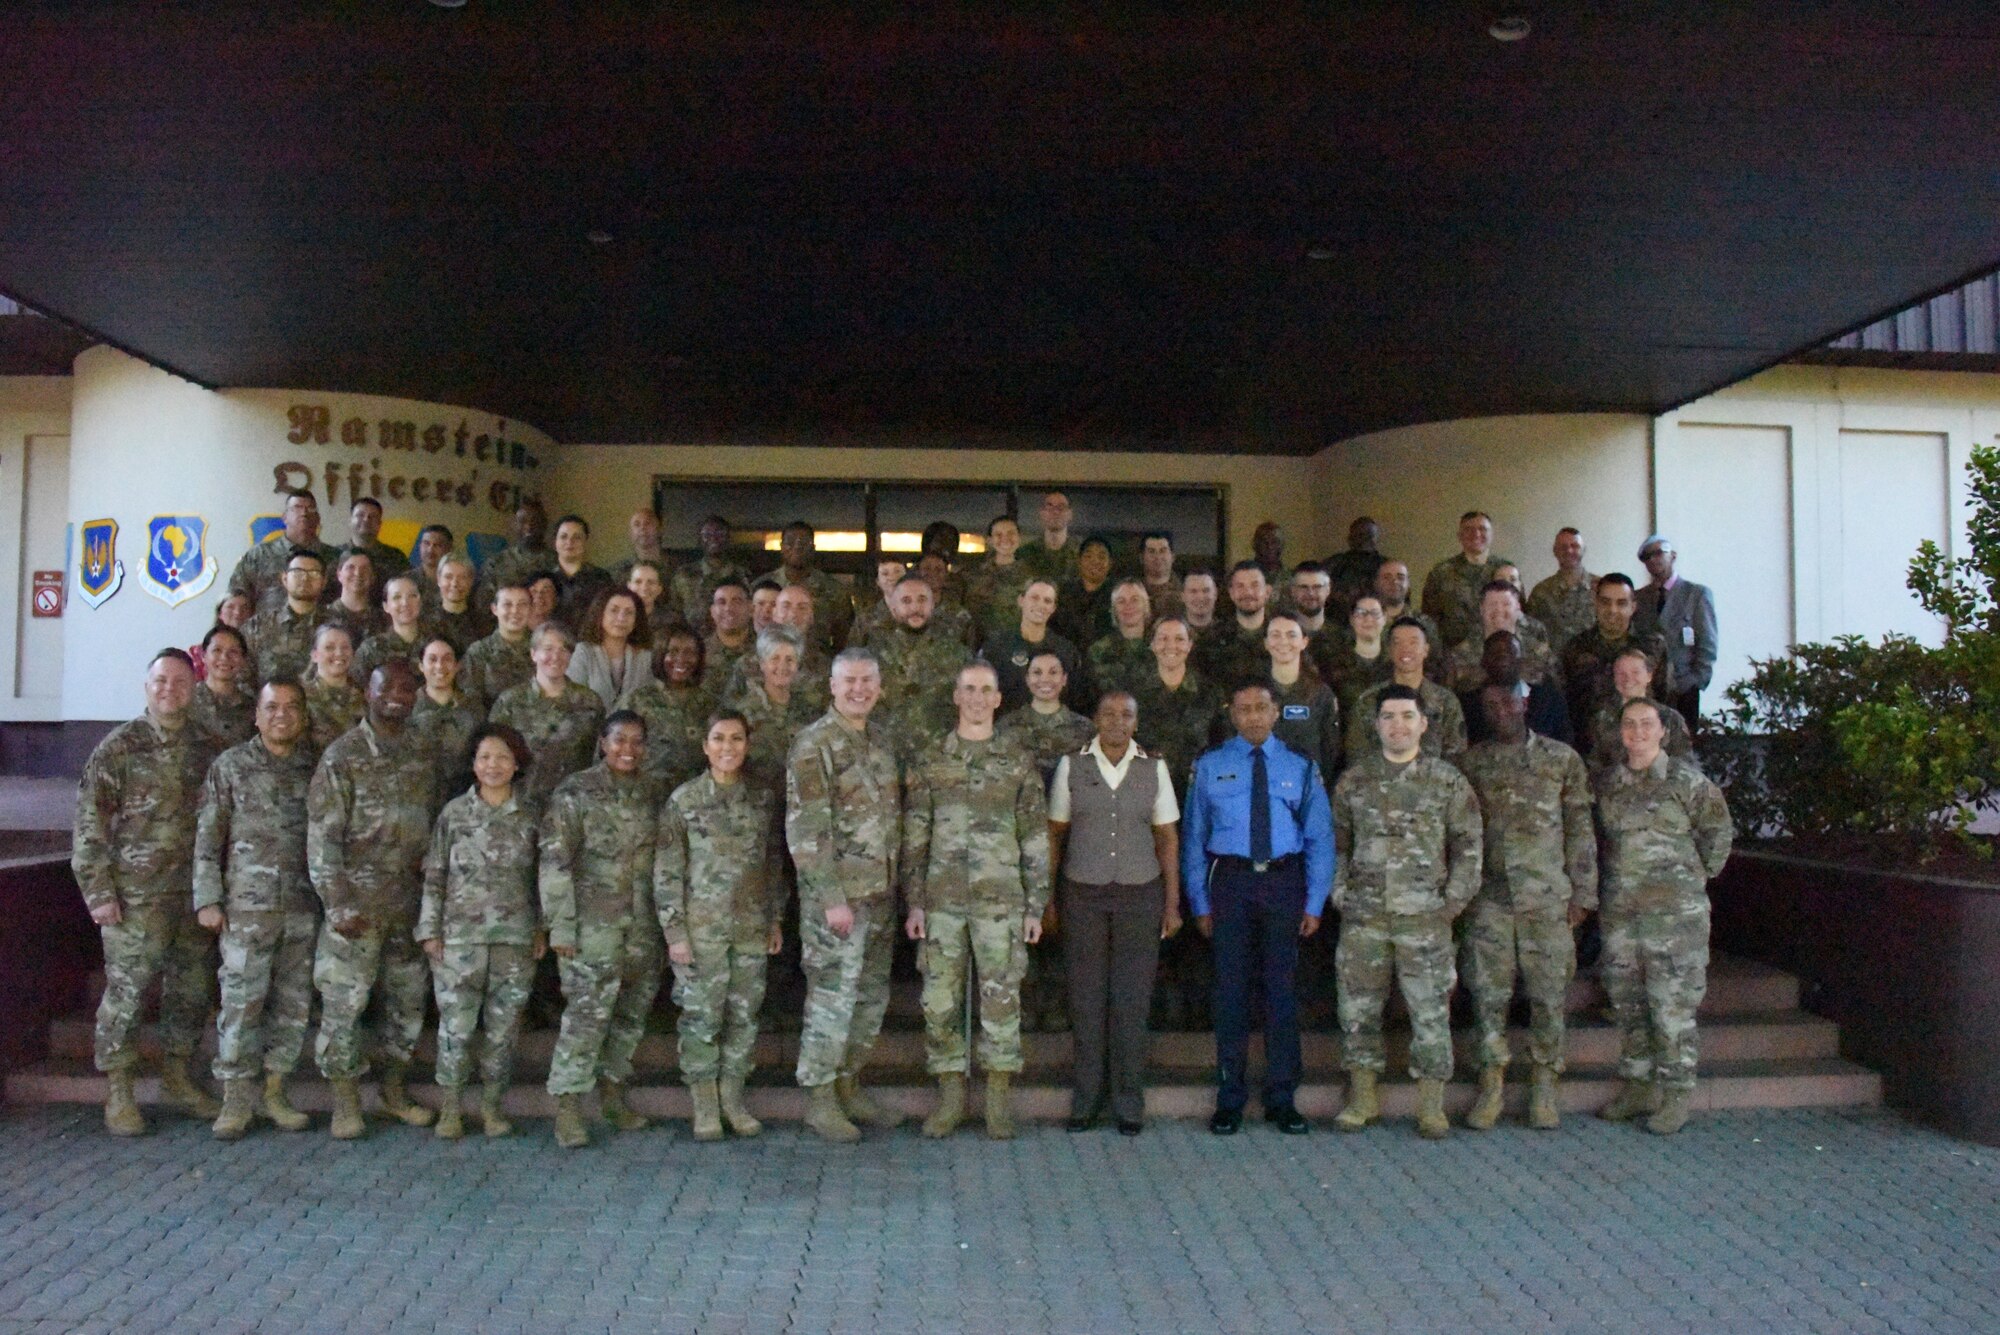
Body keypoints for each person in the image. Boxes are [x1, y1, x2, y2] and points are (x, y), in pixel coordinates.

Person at [73, 648, 222, 1135]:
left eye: (180, 682)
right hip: (134, 898)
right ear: (146, 686)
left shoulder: (209, 747)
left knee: (191, 990)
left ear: (193, 689)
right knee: (128, 993)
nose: (169, 690)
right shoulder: (119, 747)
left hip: (191, 896)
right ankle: (119, 1091)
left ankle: (177, 1077)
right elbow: (90, 823)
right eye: (160, 681)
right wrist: (98, 891)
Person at [901, 662, 1052, 1140]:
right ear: (955, 695)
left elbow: (1034, 836)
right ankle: (949, 1100)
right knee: (939, 1001)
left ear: (998, 699)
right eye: (968, 689)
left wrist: (1034, 905)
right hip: (942, 902)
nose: (976, 698)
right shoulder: (931, 759)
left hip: (1001, 902)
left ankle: (997, 1101)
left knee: (1002, 1000)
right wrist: (916, 902)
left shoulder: (1017, 760)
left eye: (985, 690)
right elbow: (915, 838)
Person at [1183, 679, 1335, 1137]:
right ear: (1232, 714)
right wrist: (1199, 903)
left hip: (1283, 883)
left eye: (1261, 708)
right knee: (1230, 994)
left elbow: (1320, 838)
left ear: (1275, 713)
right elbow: (1193, 839)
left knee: (1281, 993)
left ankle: (1282, 1099)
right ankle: (1230, 1099)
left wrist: (1314, 901)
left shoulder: (1300, 768)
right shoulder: (1210, 766)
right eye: (1244, 708)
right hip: (1230, 883)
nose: (1252, 716)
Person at [1330, 685, 1482, 1139]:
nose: (1398, 725)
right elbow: (1337, 845)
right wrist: (1340, 892)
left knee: (1431, 1011)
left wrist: (1452, 903)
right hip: (1365, 918)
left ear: (1423, 724)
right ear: (1376, 725)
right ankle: (1362, 1098)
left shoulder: (1447, 781)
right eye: (1389, 717)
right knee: (1358, 1008)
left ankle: (1431, 1106)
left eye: (1406, 716)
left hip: (1426, 920)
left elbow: (1469, 845)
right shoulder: (1354, 781)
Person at [306, 660, 438, 1138]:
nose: (398, 696)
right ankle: (345, 1103)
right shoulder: (342, 756)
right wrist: (337, 904)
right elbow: (322, 838)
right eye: (388, 688)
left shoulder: (423, 750)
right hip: (356, 906)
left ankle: (393, 1091)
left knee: (407, 1005)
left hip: (409, 904)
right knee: (345, 1004)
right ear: (368, 693)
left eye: (407, 688)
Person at [1457, 682, 1597, 1131]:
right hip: (1489, 900)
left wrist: (1583, 893)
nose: (1501, 711)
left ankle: (1544, 1085)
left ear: (1525, 703)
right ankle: (1491, 1084)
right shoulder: (1470, 764)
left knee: (1548, 996)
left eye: (1508, 702)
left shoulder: (1562, 760)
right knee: (1488, 997)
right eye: (1491, 705)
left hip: (1547, 899)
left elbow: (1579, 828)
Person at [1595, 696, 1734, 1135]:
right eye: (1630, 725)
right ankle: (1638, 1085)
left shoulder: (1687, 783)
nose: (1637, 732)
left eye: (1646, 724)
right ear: (1621, 733)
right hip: (1624, 916)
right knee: (1629, 1003)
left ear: (1662, 731)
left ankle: (1676, 1094)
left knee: (1671, 1006)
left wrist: (1691, 880)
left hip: (1675, 920)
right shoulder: (1610, 784)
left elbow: (1718, 834)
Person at [1048, 690, 1182, 1135]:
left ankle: (1128, 1102)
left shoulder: (1153, 768)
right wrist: (1048, 899)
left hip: (1139, 894)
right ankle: (1085, 1100)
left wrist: (1172, 903)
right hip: (1082, 894)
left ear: (1136, 722)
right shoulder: (1073, 766)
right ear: (1095, 719)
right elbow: (1055, 837)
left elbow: (1166, 839)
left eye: (1126, 714)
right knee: (1086, 1000)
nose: (1117, 721)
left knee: (1131, 1000)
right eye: (1108, 713)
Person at [786, 648, 905, 1142]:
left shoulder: (881, 740)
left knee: (869, 998)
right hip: (838, 901)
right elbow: (807, 830)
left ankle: (849, 1084)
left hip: (880, 895)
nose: (859, 690)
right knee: (832, 1000)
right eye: (850, 681)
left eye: (868, 681)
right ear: (832, 687)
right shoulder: (814, 745)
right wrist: (832, 897)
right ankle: (819, 1099)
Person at [195, 677, 319, 1138]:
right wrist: (207, 898)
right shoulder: (230, 766)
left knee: (292, 1005)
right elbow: (209, 838)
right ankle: (235, 1099)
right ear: (256, 714)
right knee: (241, 1004)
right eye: (271, 707)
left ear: (303, 715)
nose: (281, 715)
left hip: (303, 907)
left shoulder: (315, 767)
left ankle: (274, 1091)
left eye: (290, 707)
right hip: (247, 910)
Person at [656, 710, 787, 1141]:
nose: (727, 747)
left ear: (747, 744)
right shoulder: (684, 802)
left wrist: (774, 918)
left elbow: (771, 866)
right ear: (705, 746)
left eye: (735, 738)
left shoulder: (761, 799)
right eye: (718, 739)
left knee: (744, 1017)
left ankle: (733, 1099)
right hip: (701, 931)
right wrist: (675, 934)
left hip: (749, 927)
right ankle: (706, 1106)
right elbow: (668, 873)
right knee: (701, 1017)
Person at [539, 711, 663, 1148]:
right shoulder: (577, 791)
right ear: (602, 743)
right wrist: (560, 927)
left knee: (629, 1017)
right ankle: (569, 1111)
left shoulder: (652, 792)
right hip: (592, 928)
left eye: (636, 741)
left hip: (643, 927)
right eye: (618, 740)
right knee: (586, 1020)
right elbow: (555, 861)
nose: (627, 749)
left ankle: (613, 1096)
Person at [417, 723, 544, 1140]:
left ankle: (492, 1108)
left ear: (517, 764)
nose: (494, 765)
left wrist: (542, 929)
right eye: (486, 757)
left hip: (514, 938)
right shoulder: (453, 814)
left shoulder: (531, 816)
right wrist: (430, 930)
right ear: (473, 763)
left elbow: (545, 879)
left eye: (503, 758)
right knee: (456, 1027)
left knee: (503, 1030)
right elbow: (435, 875)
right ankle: (451, 1108)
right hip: (459, 939)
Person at [488, 624, 607, 814]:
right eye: (548, 649)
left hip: (573, 807)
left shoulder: (590, 702)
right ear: (534, 654)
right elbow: (493, 755)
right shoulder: (510, 701)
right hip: (520, 807)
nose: (556, 657)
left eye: (564, 650)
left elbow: (599, 759)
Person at [1562, 573, 1671, 744]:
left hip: (1641, 746)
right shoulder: (1575, 648)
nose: (1613, 610)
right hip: (1591, 751)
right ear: (1596, 604)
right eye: (1605, 602)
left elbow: (1665, 698)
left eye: (1621, 603)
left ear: (1633, 607)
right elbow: (1567, 705)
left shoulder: (1653, 646)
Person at [870, 571, 966, 762]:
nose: (915, 607)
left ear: (933, 605)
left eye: (922, 600)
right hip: (885, 761)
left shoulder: (957, 655)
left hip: (938, 762)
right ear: (894, 608)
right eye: (906, 601)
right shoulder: (872, 656)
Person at [1348, 618, 1467, 763]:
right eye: (1398, 643)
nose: (1405, 649)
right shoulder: (1368, 701)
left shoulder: (1446, 702)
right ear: (1390, 651)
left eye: (1413, 642)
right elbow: (1356, 757)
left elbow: (1456, 758)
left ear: (1426, 650)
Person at [621, 626, 718, 798]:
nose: (681, 659)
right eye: (672, 651)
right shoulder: (638, 700)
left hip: (694, 800)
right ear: (660, 655)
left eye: (689, 652)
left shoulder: (710, 705)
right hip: (645, 796)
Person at [1634, 535, 1718, 732]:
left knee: (1684, 750)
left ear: (1673, 555)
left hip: (1684, 688)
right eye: (1647, 557)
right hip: (1650, 691)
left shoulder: (1696, 594)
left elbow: (1708, 643)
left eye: (1658, 553)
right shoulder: (1639, 598)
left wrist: (1695, 680)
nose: (1653, 559)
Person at [229, 488, 339, 615]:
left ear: (318, 519)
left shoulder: (335, 557)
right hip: (268, 631)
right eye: (297, 508)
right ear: (284, 517)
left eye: (310, 508)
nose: (304, 513)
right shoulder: (259, 555)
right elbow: (236, 598)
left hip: (322, 630)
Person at [979, 577, 1079, 712]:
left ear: (1053, 608)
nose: (1041, 605)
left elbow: (1073, 697)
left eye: (1047, 601)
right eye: (1034, 598)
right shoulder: (997, 647)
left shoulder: (1065, 650)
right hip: (1008, 727)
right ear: (1021, 600)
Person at [1265, 613, 1341, 785]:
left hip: (1307, 788)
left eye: (1291, 635)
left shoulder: (1321, 694)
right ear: (1266, 643)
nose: (1283, 642)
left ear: (1304, 642)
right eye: (1275, 635)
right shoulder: (1254, 693)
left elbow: (1331, 751)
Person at [996, 649, 1093, 782]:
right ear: (1027, 679)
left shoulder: (1085, 729)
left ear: (1064, 679)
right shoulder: (1006, 726)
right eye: (1037, 673)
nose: (1045, 679)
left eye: (1053, 672)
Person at [725, 584, 830, 705]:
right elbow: (730, 715)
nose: (793, 614)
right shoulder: (746, 665)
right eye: (786, 606)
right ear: (774, 613)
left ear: (811, 616)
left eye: (802, 608)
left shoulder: (825, 667)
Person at [1442, 581, 1555, 693]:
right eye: (1492, 604)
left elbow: (1557, 693)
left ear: (1518, 608)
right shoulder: (1459, 655)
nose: (1499, 610)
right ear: (1481, 609)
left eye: (1506, 604)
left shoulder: (1540, 653)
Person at [1421, 510, 1510, 649]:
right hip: (1453, 655)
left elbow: (1519, 613)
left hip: (1499, 653)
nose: (1476, 534)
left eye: (1482, 529)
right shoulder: (1441, 572)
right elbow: (1429, 619)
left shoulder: (1506, 571)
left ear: (1491, 535)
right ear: (1459, 536)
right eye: (1469, 529)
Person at [407, 636, 482, 800]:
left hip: (466, 796)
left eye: (447, 659)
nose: (440, 666)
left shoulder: (473, 706)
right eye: (432, 659)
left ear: (457, 666)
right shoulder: (408, 706)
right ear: (421, 666)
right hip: (418, 795)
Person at [243, 549, 327, 686]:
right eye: (297, 572)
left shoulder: (336, 626)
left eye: (313, 573)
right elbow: (241, 677)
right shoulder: (257, 626)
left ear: (324, 582)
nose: (305, 578)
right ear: (284, 578)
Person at [567, 587, 655, 709]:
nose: (621, 618)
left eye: (629, 612)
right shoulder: (584, 652)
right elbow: (573, 699)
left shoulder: (644, 656)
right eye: (614, 610)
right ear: (600, 614)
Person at [774, 520, 854, 653]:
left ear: (813, 548)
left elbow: (844, 639)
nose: (797, 547)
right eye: (790, 542)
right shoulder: (764, 586)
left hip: (818, 667)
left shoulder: (834, 590)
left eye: (804, 542)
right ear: (782, 547)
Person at [1316, 592, 1394, 725]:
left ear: (1385, 618)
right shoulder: (1333, 663)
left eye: (1375, 613)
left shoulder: (1395, 663)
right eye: (1361, 613)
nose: (1368, 619)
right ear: (1352, 619)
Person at [460, 582, 536, 712]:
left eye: (522, 604)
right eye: (507, 604)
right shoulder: (479, 651)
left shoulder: (542, 649)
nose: (515, 611)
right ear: (494, 609)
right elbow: (470, 703)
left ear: (531, 609)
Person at [1195, 560, 1271, 687]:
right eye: (1240, 586)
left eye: (1255, 585)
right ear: (1231, 593)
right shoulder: (1212, 639)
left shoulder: (1283, 636)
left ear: (1268, 591)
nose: (1248, 593)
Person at [670, 513, 750, 632]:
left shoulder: (743, 575)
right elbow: (674, 612)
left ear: (729, 538)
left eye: (720, 534)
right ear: (699, 539)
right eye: (707, 534)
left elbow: (748, 613)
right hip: (692, 641)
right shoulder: (683, 575)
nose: (714, 538)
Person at [1528, 527, 1598, 659]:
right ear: (1555, 551)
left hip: (1593, 669)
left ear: (1584, 550)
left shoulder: (1601, 588)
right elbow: (1530, 633)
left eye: (1575, 546)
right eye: (1563, 547)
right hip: (1554, 670)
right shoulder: (1541, 592)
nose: (1569, 550)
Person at [352, 573, 436, 683]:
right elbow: (356, 689)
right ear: (386, 606)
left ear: (420, 602)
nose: (405, 603)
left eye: (412, 596)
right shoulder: (371, 650)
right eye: (397, 597)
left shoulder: (436, 643)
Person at [475, 499, 558, 610]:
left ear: (545, 525)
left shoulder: (557, 563)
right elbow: (482, 607)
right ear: (514, 525)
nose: (529, 527)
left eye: (535, 521)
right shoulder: (496, 563)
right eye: (522, 521)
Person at [1085, 577, 1156, 706]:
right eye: (1121, 601)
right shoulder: (1098, 650)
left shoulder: (1160, 647)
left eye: (1135, 600)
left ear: (1146, 605)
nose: (1128, 606)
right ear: (1113, 609)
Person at [189, 624, 257, 749]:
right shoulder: (186, 701)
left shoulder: (253, 709)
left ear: (243, 659)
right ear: (203, 656)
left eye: (233, 652)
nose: (225, 658)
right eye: (217, 650)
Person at [965, 514, 1033, 639]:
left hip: (1016, 644)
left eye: (1010, 533)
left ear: (1019, 538)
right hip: (979, 645)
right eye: (998, 535)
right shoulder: (972, 575)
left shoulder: (1031, 577)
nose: (1005, 539)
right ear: (990, 540)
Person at [302, 625, 364, 750]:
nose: (339, 653)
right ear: (315, 655)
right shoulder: (301, 697)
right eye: (329, 648)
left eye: (345, 647)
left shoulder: (365, 695)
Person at [548, 514, 613, 630]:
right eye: (563, 537)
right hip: (552, 645)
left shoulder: (601, 578)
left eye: (577, 537)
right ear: (555, 542)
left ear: (585, 541)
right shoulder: (545, 579)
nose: (569, 542)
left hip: (590, 644)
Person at [1053, 536, 1115, 649]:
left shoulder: (1118, 595)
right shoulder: (1062, 593)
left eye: (1101, 557)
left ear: (1110, 563)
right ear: (1079, 561)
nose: (1095, 561)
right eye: (1088, 556)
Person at [1322, 517, 1386, 616]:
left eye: (1369, 536)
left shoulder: (1388, 567)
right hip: (1338, 622)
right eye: (1360, 535)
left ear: (1376, 538)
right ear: (1350, 539)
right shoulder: (1334, 564)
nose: (1364, 541)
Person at [337, 496, 407, 586]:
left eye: (373, 516)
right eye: (360, 515)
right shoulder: (334, 555)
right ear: (350, 521)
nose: (366, 519)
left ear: (379, 524)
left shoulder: (396, 557)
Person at [323, 550, 387, 647]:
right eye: (350, 568)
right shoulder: (322, 617)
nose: (358, 573)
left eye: (364, 568)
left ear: (373, 576)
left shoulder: (384, 620)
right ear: (339, 574)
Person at [702, 579, 756, 694]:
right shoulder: (698, 652)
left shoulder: (767, 651)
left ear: (751, 609)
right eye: (721, 602)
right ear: (712, 611)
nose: (728, 609)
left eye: (736, 602)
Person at [431, 553, 492, 653]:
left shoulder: (483, 623)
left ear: (471, 581)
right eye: (448, 577)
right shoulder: (424, 621)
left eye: (462, 577)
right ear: (438, 579)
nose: (454, 583)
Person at [1018, 490, 1081, 584]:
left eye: (1061, 507)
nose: (1055, 512)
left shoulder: (1082, 554)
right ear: (1042, 513)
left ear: (1070, 514)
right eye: (1049, 507)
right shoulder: (1024, 553)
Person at [608, 507, 669, 587]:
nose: (642, 528)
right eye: (637, 525)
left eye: (648, 523)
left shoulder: (678, 569)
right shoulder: (615, 573)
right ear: (630, 533)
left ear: (660, 529)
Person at [624, 558, 676, 641]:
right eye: (638, 582)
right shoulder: (617, 618)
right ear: (629, 586)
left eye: (651, 582)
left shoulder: (672, 621)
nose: (644, 588)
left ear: (659, 589)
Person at [1139, 531, 1182, 621]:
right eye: (1151, 551)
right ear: (1142, 558)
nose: (1157, 557)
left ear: (1173, 556)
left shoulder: (1186, 593)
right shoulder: (1133, 592)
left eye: (1163, 551)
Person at [1286, 562, 1333, 638]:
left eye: (1317, 587)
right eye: (1303, 587)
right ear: (1293, 591)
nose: (1310, 593)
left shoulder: (1341, 637)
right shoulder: (1280, 635)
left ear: (1328, 590)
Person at [1180, 566, 1220, 637]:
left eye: (1206, 591)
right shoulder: (1173, 631)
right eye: (1193, 591)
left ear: (1215, 594)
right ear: (1183, 596)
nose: (1200, 598)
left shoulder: (1228, 633)